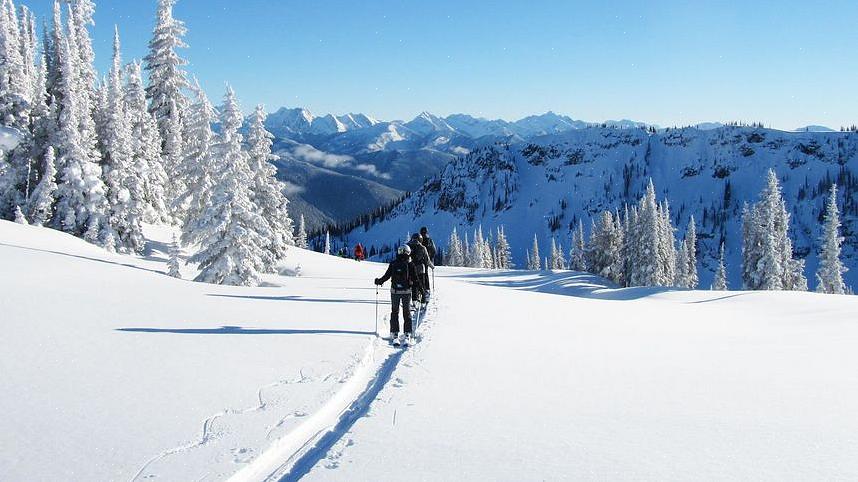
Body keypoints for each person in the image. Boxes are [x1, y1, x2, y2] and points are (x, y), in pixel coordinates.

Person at [375, 245, 421, 345]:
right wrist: (421, 290)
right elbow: (415, 279)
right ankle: (407, 333)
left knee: (394, 312)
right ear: (408, 253)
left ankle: (394, 333)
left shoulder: (393, 263)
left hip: (395, 291)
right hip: (406, 292)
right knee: (407, 313)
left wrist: (379, 281)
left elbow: (386, 276)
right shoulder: (410, 264)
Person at [407, 233, 433, 304]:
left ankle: (414, 300)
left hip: (410, 269)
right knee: (422, 284)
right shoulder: (423, 248)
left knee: (413, 285)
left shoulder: (408, 246)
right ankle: (424, 299)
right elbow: (427, 260)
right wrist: (432, 267)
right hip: (420, 269)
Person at [419, 227, 436, 295]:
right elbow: (434, 250)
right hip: (426, 260)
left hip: (418, 260)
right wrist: (430, 259)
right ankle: (427, 288)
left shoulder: (419, 239)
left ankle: (419, 289)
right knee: (425, 274)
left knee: (417, 274)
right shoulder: (429, 240)